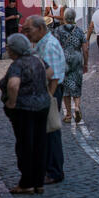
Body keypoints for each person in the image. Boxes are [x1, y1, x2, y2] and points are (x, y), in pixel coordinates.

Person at [0, 33, 52, 194]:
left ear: (15, 50)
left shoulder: (18, 64)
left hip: (24, 109)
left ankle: (26, 183)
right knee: (40, 144)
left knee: (25, 145)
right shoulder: (38, 60)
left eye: (8, 46)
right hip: (42, 106)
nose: (7, 49)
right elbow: (50, 73)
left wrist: (11, 102)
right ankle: (39, 182)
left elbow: (14, 84)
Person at [22, 15, 65, 185]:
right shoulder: (42, 44)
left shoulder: (48, 46)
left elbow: (53, 76)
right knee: (46, 132)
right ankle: (50, 168)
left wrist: (47, 99)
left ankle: (54, 171)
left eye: (28, 29)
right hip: (46, 92)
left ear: (40, 29)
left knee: (51, 131)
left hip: (50, 92)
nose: (26, 33)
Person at [54, 8, 88, 124]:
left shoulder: (58, 30)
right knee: (77, 84)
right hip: (77, 59)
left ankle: (68, 115)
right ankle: (77, 107)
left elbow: (55, 46)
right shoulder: (79, 31)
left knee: (65, 87)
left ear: (64, 18)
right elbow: (85, 49)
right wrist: (86, 63)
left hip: (64, 60)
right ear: (74, 18)